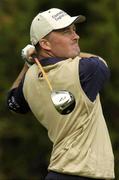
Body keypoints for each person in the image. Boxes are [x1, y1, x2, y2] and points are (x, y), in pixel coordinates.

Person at [7, 8, 115, 180]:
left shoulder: (29, 79)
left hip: (58, 172)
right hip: (84, 173)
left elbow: (13, 102)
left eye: (74, 30)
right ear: (45, 44)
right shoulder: (84, 70)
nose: (76, 36)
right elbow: (100, 62)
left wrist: (29, 63)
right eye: (66, 32)